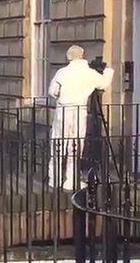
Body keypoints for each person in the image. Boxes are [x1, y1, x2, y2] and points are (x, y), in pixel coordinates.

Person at [47, 45, 114, 190]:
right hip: (79, 110)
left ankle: (55, 178)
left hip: (63, 110)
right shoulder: (89, 73)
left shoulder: (62, 72)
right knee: (75, 146)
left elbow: (52, 91)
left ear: (68, 57)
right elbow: (104, 84)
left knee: (58, 144)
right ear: (83, 55)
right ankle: (71, 180)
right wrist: (108, 71)